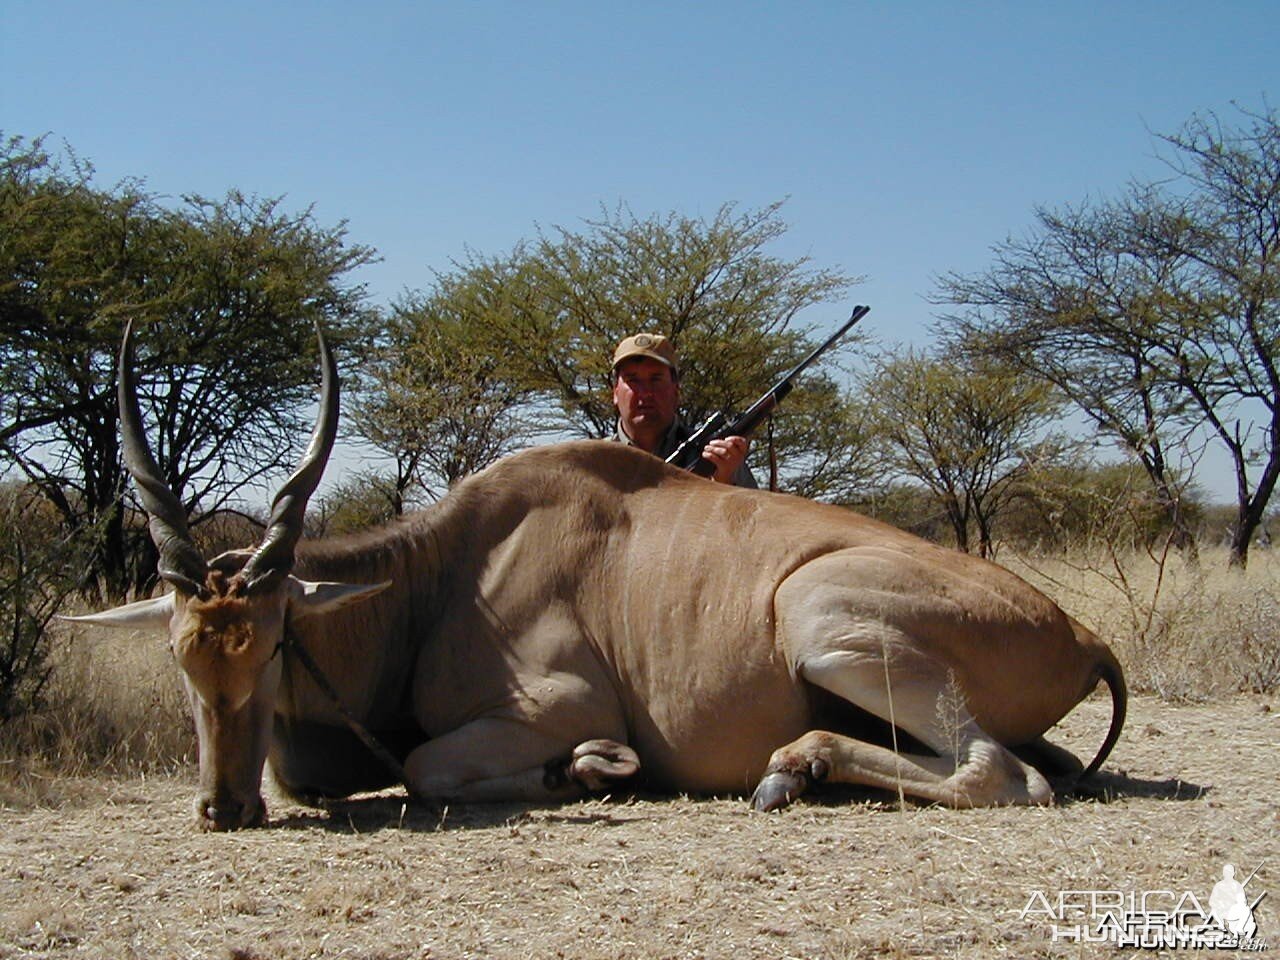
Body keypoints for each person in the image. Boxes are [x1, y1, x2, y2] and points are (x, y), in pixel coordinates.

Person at [608, 333, 757, 487]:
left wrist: (724, 482)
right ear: (615, 392)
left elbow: (754, 509)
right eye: (633, 380)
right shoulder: (592, 461)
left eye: (656, 379)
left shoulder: (718, 457)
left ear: (676, 390)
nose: (646, 392)